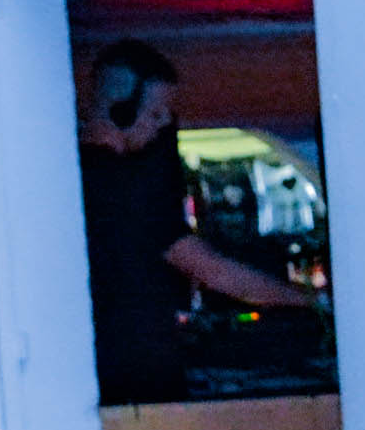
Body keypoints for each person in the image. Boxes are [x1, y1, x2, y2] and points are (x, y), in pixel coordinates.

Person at [79, 42, 312, 407]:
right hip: (140, 378)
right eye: (156, 113)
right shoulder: (129, 190)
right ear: (121, 110)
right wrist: (307, 300)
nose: (162, 125)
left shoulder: (70, 174)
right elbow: (215, 271)